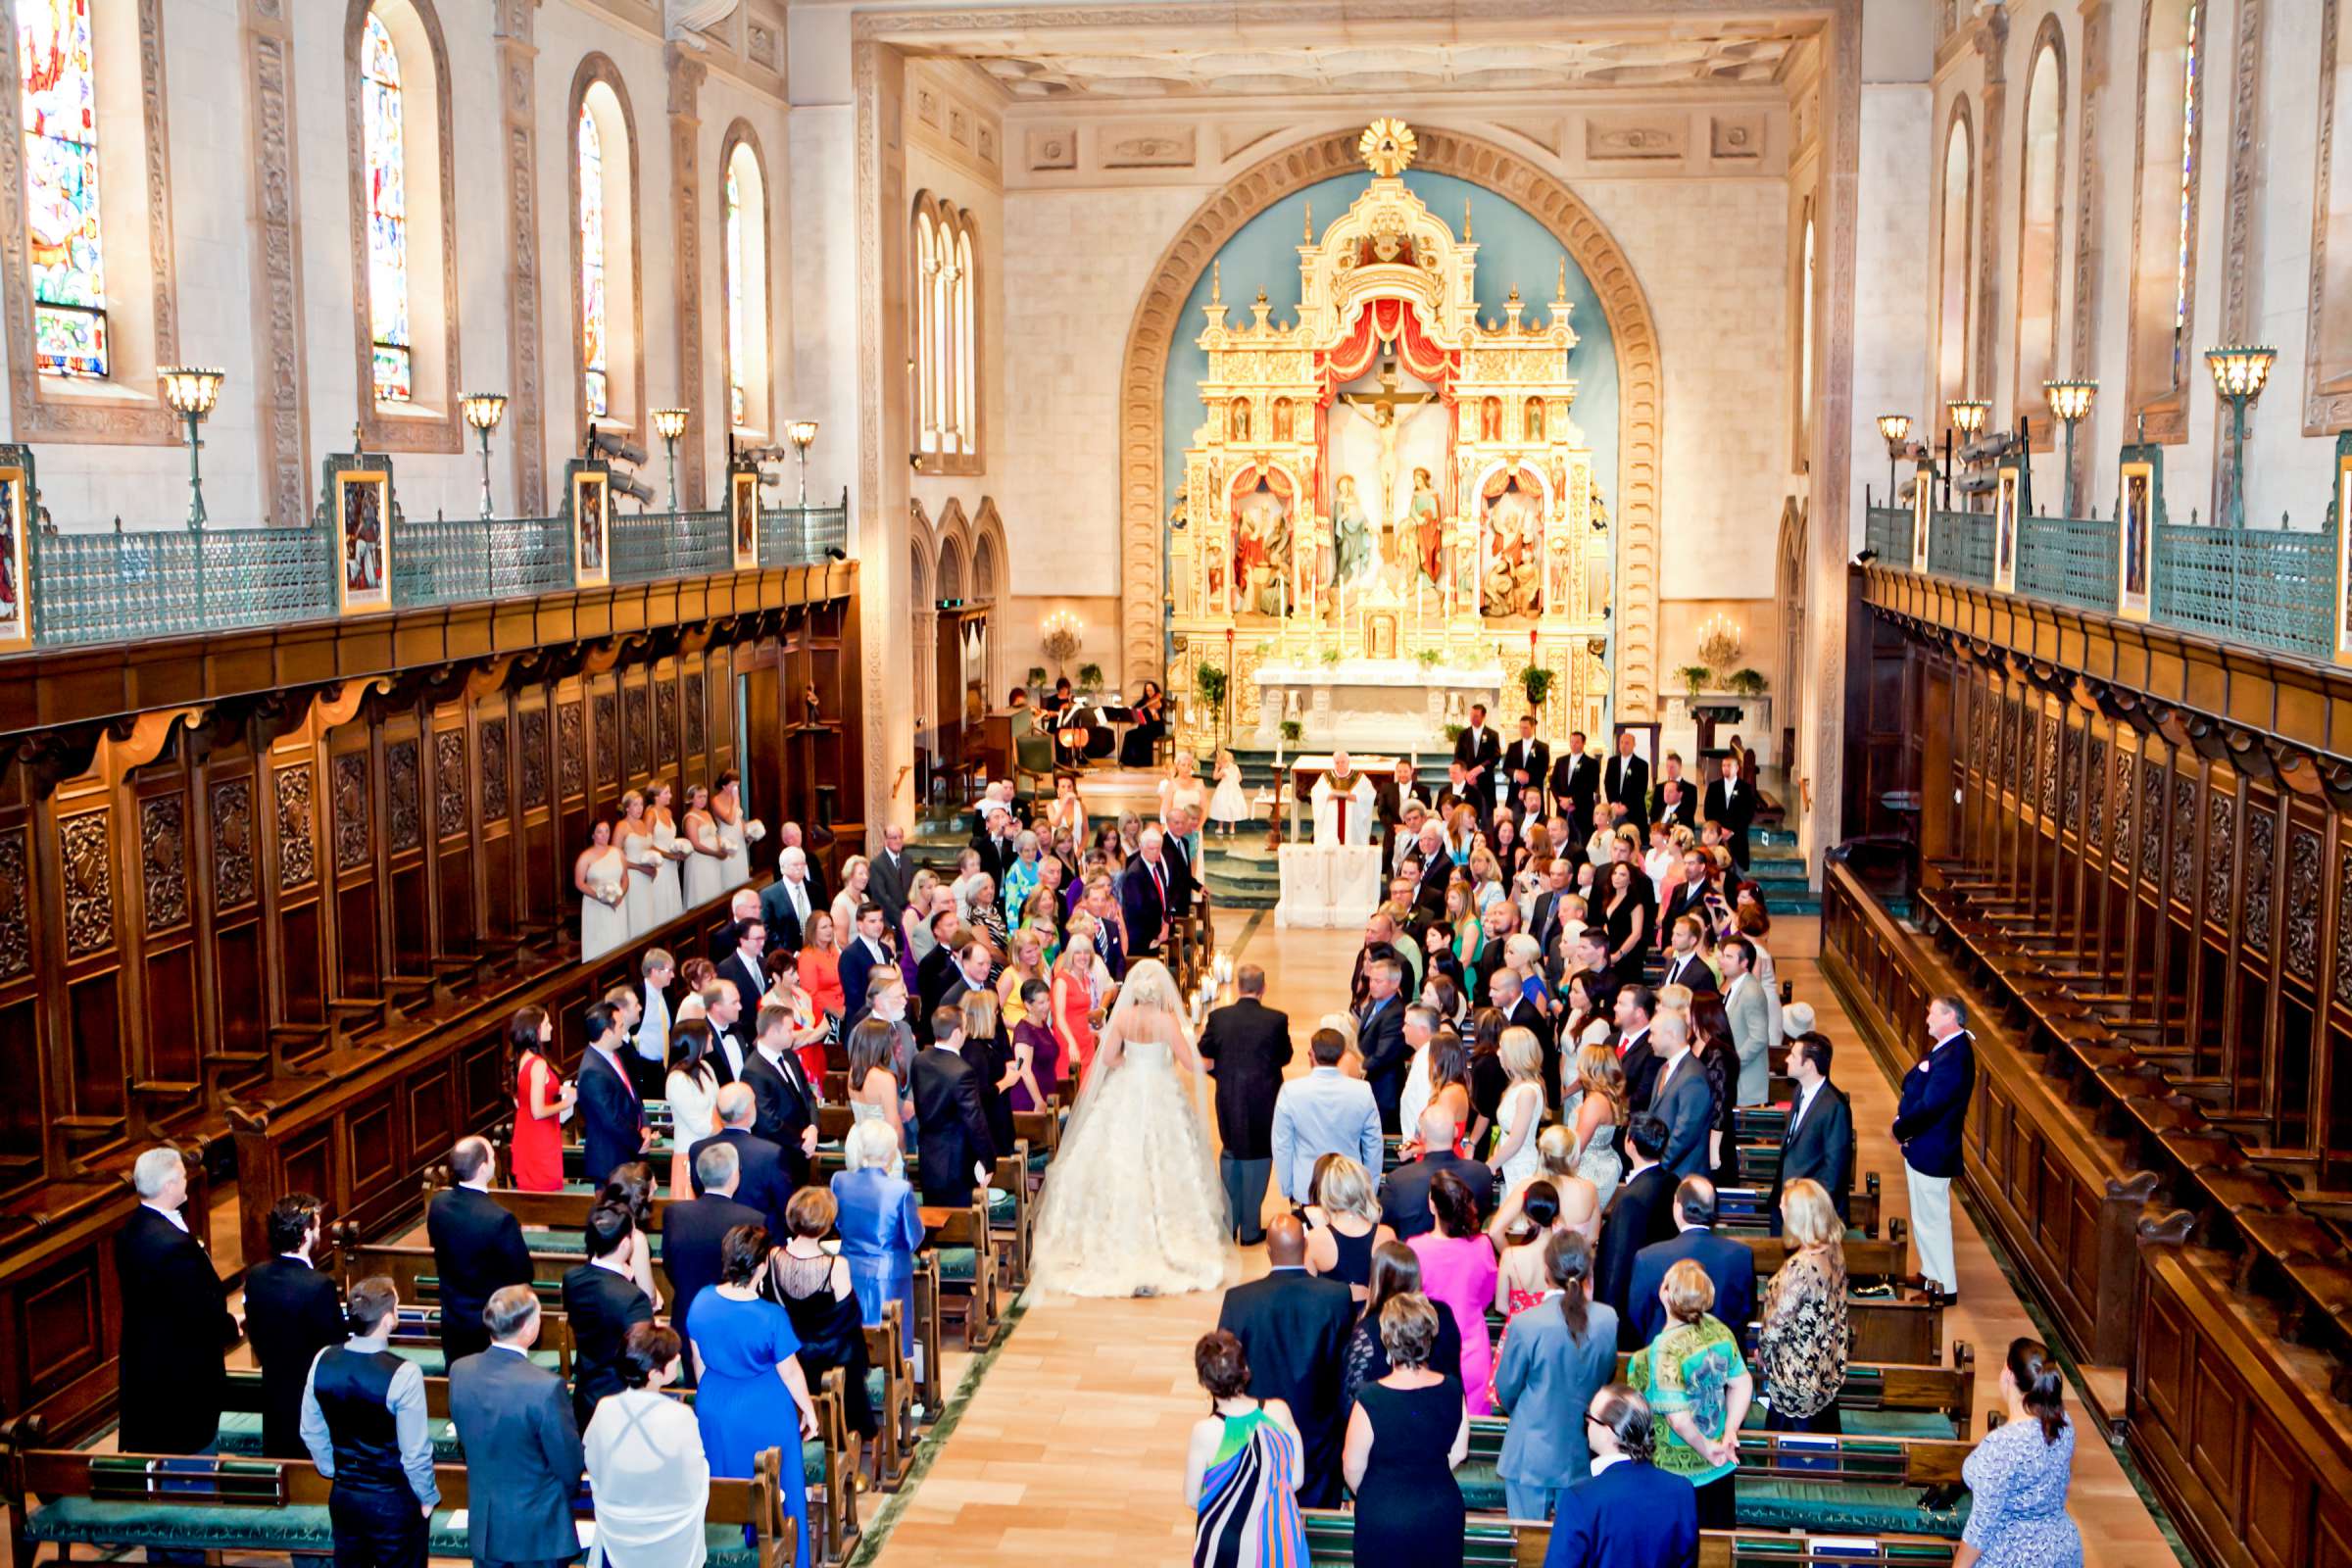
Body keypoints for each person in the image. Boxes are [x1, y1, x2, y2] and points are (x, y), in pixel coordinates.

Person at [1032, 958, 1230, 1296]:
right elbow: (1188, 1060)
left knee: (1118, 1158)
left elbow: (1108, 1058)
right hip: (1160, 1090)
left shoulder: (1122, 1017)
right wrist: (1220, 1061)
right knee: (1166, 1159)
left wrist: (1133, 1065)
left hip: (1128, 1086)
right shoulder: (1166, 1022)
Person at [686, 1225, 818, 1568]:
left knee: (724, 1479)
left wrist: (710, 1396)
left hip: (714, 1402)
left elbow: (698, 1360)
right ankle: (790, 1554)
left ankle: (734, 1548)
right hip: (763, 1408)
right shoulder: (770, 1316)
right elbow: (790, 1373)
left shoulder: (701, 1300)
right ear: (761, 1267)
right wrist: (809, 1411)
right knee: (777, 1482)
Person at [1215, 1214, 1359, 1508]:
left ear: (1268, 1252)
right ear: (1305, 1247)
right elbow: (1347, 1370)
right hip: (1320, 1431)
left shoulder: (1239, 1300)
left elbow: (1223, 1373)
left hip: (1256, 1431)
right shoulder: (1336, 1297)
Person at [299, 1276, 437, 1567]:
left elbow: (310, 1430)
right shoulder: (405, 1373)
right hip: (393, 1500)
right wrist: (426, 1496)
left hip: (346, 1497)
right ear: (388, 1319)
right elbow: (415, 1453)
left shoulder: (323, 1358)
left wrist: (336, 1469)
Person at [446, 1285, 587, 1568]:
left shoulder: (460, 1370)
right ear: (527, 1328)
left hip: (486, 1525)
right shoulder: (545, 1387)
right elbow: (569, 1464)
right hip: (537, 1530)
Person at [1493, 1232, 1618, 1522]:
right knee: (1575, 1548)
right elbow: (1605, 1377)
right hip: (1581, 1446)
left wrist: (1530, 1411)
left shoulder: (1527, 1322)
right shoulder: (1607, 1320)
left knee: (1524, 1547)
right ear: (1588, 1271)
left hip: (1530, 1447)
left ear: (1546, 1270)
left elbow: (1506, 1388)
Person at [1341, 1296, 1470, 1567]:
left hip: (1383, 1514)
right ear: (1429, 1337)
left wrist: (1380, 1488)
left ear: (1388, 1339)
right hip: (1440, 1510)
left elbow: (1352, 1468)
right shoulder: (1452, 1388)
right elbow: (1459, 1451)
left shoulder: (1370, 1398)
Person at [1632, 1258, 1751, 1529]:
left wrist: (1706, 1448)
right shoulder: (1719, 1330)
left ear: (1665, 1293)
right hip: (1721, 1464)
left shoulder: (1665, 1348)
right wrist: (1730, 1429)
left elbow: (1678, 1419)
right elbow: (1743, 1384)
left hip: (1676, 1473)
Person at [583, 1323, 709, 1566]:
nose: (678, 1359)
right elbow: (695, 1473)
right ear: (654, 1373)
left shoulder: (605, 1408)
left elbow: (594, 1464)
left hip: (618, 1525)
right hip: (670, 1531)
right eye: (673, 1358)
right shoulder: (680, 1415)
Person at [1185, 1329, 1311, 1567]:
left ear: (1204, 1381)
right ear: (1246, 1370)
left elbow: (1192, 1498)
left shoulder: (1205, 1432)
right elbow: (1296, 1480)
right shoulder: (1280, 1411)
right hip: (1280, 1543)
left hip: (1225, 1549)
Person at [1956, 1338, 2083, 1568]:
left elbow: (1981, 1527)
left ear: (2008, 1373)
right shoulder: (2063, 1424)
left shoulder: (2001, 1446)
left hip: (2013, 1556)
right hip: (2062, 1550)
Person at [1542, 1386, 1698, 1568]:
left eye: (1590, 1418)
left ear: (1609, 1431)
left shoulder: (1581, 1498)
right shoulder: (1682, 1491)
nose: (1587, 1425)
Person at [766, 1188, 878, 1442]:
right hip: (830, 1358)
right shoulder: (836, 1266)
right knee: (854, 1349)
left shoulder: (773, 1257)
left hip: (791, 1352)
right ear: (827, 1224)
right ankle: (848, 1431)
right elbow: (848, 1317)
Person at [244, 1193, 346, 1460]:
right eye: (317, 1226)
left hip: (274, 1395)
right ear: (305, 1232)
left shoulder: (256, 1277)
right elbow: (334, 1350)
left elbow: (255, 1331)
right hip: (312, 1403)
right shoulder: (318, 1285)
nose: (319, 1232)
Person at [1200, 964, 1293, 1247]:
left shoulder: (1218, 1017)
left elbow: (1204, 1053)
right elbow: (1285, 1056)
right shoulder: (1276, 1020)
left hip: (1229, 1095)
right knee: (1260, 1157)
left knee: (1230, 1152)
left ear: (1239, 987)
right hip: (1264, 1096)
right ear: (1263, 988)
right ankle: (1251, 1228)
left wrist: (1223, 1072)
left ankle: (1229, 1224)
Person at [425, 1135, 533, 1365]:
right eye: (492, 1157)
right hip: (489, 1324)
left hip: (453, 1318)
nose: (494, 1161)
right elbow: (523, 1273)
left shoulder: (438, 1204)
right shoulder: (500, 1219)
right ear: (483, 1168)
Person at [1896, 995, 1976, 1303]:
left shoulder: (1955, 1056)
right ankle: (1930, 1273)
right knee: (1923, 1215)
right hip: (1924, 1144)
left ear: (1950, 1017)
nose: (1927, 1018)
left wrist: (1900, 1128)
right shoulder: (1948, 1048)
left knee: (1934, 1219)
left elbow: (1932, 1106)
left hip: (1934, 1146)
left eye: (1932, 1013)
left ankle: (1944, 1287)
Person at [1756, 1178, 1848, 1434]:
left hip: (1797, 1378)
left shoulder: (1800, 1267)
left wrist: (1762, 1353)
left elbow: (1775, 1328)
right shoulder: (1833, 1249)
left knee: (1788, 1467)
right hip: (1825, 1369)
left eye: (1784, 1207)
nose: (1781, 1210)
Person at [1405, 1171, 1499, 1414]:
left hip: (1429, 1352)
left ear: (1432, 1205)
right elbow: (1487, 1295)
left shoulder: (1415, 1248)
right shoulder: (1482, 1246)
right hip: (1472, 1352)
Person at [833, 1117, 928, 1357]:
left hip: (848, 1270)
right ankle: (896, 1386)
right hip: (888, 1275)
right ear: (889, 1154)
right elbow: (912, 1238)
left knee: (854, 1339)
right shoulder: (899, 1189)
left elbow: (837, 1222)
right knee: (891, 1345)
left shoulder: (839, 1180)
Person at [1626, 1177, 1756, 1348]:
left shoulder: (1648, 1257)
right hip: (1723, 1356)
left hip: (1666, 1357)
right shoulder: (1741, 1255)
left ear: (1678, 1208)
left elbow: (1638, 1315)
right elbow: (1748, 1310)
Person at [563, 1200, 656, 1431]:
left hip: (585, 1396)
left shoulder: (572, 1279)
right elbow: (643, 1358)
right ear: (625, 1244)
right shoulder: (633, 1298)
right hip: (621, 1404)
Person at [1271, 1027, 1384, 1211]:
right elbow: (1373, 1144)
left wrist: (1287, 1187)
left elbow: (1282, 1144)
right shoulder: (1362, 1091)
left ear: (1312, 1054)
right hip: (1349, 1184)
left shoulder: (1291, 1091)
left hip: (1306, 1184)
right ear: (1341, 1055)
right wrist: (1370, 1186)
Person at [1592, 1115, 1676, 1340]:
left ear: (1630, 1144)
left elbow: (1617, 1264)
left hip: (1630, 1310)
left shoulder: (1632, 1200)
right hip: (1658, 1300)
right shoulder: (1671, 1181)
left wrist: (1608, 1317)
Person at [912, 1004, 997, 1207]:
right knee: (961, 1220)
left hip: (928, 1154)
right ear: (957, 1032)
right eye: (965, 1027)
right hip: (955, 1160)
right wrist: (988, 1160)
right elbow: (975, 1122)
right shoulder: (962, 1072)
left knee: (934, 1214)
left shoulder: (919, 1060)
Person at [686, 1083, 793, 1238]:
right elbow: (785, 1206)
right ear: (750, 1110)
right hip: (760, 1241)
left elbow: (702, 1193)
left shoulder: (698, 1149)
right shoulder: (771, 1153)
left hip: (713, 1235)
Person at [1772, 1033, 1855, 1228]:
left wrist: (1809, 1214)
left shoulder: (1835, 1106)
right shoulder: (1799, 1091)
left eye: (1792, 1055)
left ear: (1808, 1064)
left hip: (1811, 1214)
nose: (1786, 1059)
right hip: (1786, 1204)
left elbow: (1834, 1171)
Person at [1379, 1104, 1495, 1240]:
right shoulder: (1481, 1174)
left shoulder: (1398, 1181)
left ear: (1422, 1135)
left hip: (1415, 1258)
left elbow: (1385, 1228)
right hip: (1467, 1257)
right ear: (1456, 1132)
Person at [745, 999, 820, 1189]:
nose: (793, 1034)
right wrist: (802, 1141)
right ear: (772, 1032)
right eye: (788, 1030)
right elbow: (768, 1121)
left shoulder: (789, 1056)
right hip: (779, 1154)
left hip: (802, 1149)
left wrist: (813, 1127)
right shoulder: (753, 1070)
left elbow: (807, 1096)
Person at [578, 1001, 650, 1190]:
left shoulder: (613, 1055)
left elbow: (632, 1094)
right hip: (611, 1160)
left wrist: (645, 1124)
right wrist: (638, 1141)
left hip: (625, 1154)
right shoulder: (592, 1071)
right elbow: (611, 1119)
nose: (623, 1029)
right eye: (620, 1025)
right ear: (607, 1032)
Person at [1302, 1152, 1388, 1299]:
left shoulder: (1315, 1239)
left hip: (1333, 1319)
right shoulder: (1386, 1235)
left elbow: (1308, 1296)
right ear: (1363, 1188)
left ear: (1327, 1192)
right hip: (1374, 1318)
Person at [507, 1005, 571, 1193]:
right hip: (540, 1139)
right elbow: (538, 1111)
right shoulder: (538, 1063)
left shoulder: (523, 1058)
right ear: (534, 1030)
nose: (551, 1027)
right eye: (546, 1023)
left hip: (527, 1135)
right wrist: (565, 1103)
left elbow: (523, 1098)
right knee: (543, 1201)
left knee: (532, 1206)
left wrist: (558, 1088)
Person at [1644, 1010, 1713, 1181]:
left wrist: (1658, 1167)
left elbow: (1685, 1133)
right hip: (1666, 1173)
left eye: (1653, 1033)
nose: (1649, 1039)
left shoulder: (1694, 1076)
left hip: (1683, 1176)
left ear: (1671, 1034)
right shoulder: (1663, 1069)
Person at [1487, 1027, 1547, 1196]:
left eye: (1502, 1048)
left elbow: (1516, 1140)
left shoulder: (1527, 1091)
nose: (1498, 1053)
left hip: (1521, 1167)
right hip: (1508, 1163)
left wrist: (1491, 1165)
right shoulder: (1516, 1083)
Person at [1569, 1042, 1627, 1211]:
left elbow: (1577, 1149)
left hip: (1588, 1170)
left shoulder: (1594, 1102)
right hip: (1603, 1164)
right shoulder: (1609, 1097)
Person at [1355, 956, 1410, 1132]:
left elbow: (1383, 1055)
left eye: (1378, 981)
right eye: (1371, 979)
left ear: (1395, 983)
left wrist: (1355, 1067)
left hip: (1385, 1091)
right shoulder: (1374, 1003)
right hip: (1370, 1084)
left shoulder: (1395, 1013)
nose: (1372, 985)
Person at [576, 820, 629, 959]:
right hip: (596, 904)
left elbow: (625, 879)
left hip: (617, 903)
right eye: (600, 832)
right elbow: (579, 883)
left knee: (617, 937)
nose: (604, 835)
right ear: (593, 835)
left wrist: (619, 896)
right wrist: (601, 897)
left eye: (607, 831)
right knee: (600, 940)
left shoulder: (618, 852)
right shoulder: (585, 857)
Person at [1702, 754, 1755, 870]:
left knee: (1737, 875)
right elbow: (1708, 811)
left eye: (1729, 765)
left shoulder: (1745, 788)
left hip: (1737, 837)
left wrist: (1731, 831)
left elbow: (1748, 813)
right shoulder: (1714, 787)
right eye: (1723, 765)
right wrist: (1720, 830)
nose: (1725, 768)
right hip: (1717, 838)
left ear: (1737, 768)